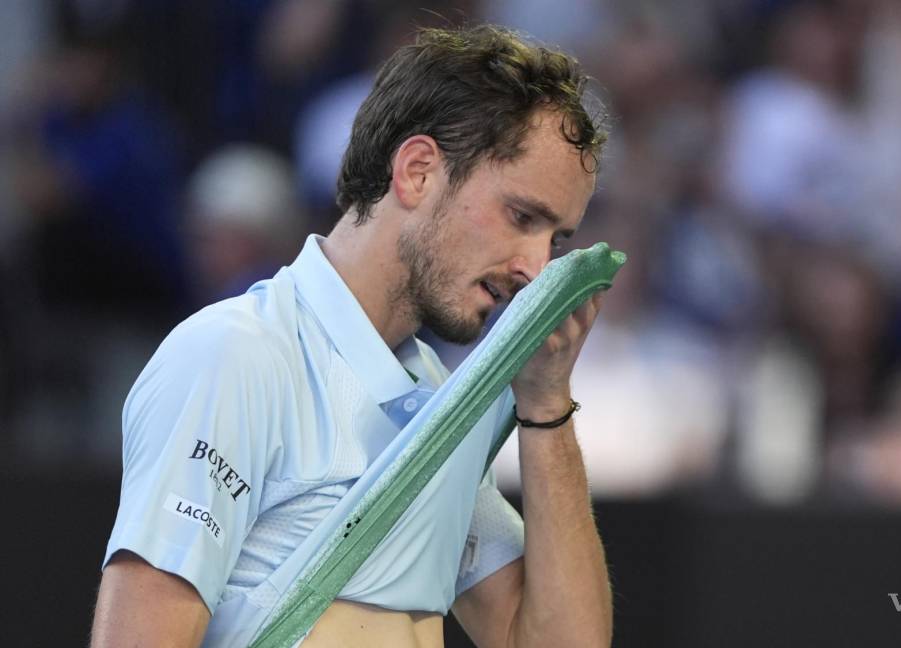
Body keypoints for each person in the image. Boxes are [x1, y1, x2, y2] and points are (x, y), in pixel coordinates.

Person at [90, 25, 612, 648]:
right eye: (521, 216)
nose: (535, 266)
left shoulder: (440, 404)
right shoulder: (234, 357)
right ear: (417, 171)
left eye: (555, 239)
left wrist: (547, 404)